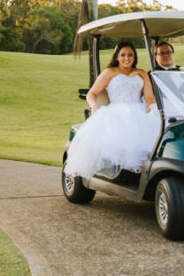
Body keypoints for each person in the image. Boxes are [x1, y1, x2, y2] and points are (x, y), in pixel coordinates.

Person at [63, 41, 161, 178]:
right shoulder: (109, 72)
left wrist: (150, 110)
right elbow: (92, 94)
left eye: (130, 55)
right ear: (117, 57)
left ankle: (146, 172)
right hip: (117, 111)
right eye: (123, 55)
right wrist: (94, 106)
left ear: (134, 57)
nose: (126, 58)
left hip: (138, 110)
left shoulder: (142, 73)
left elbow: (150, 98)